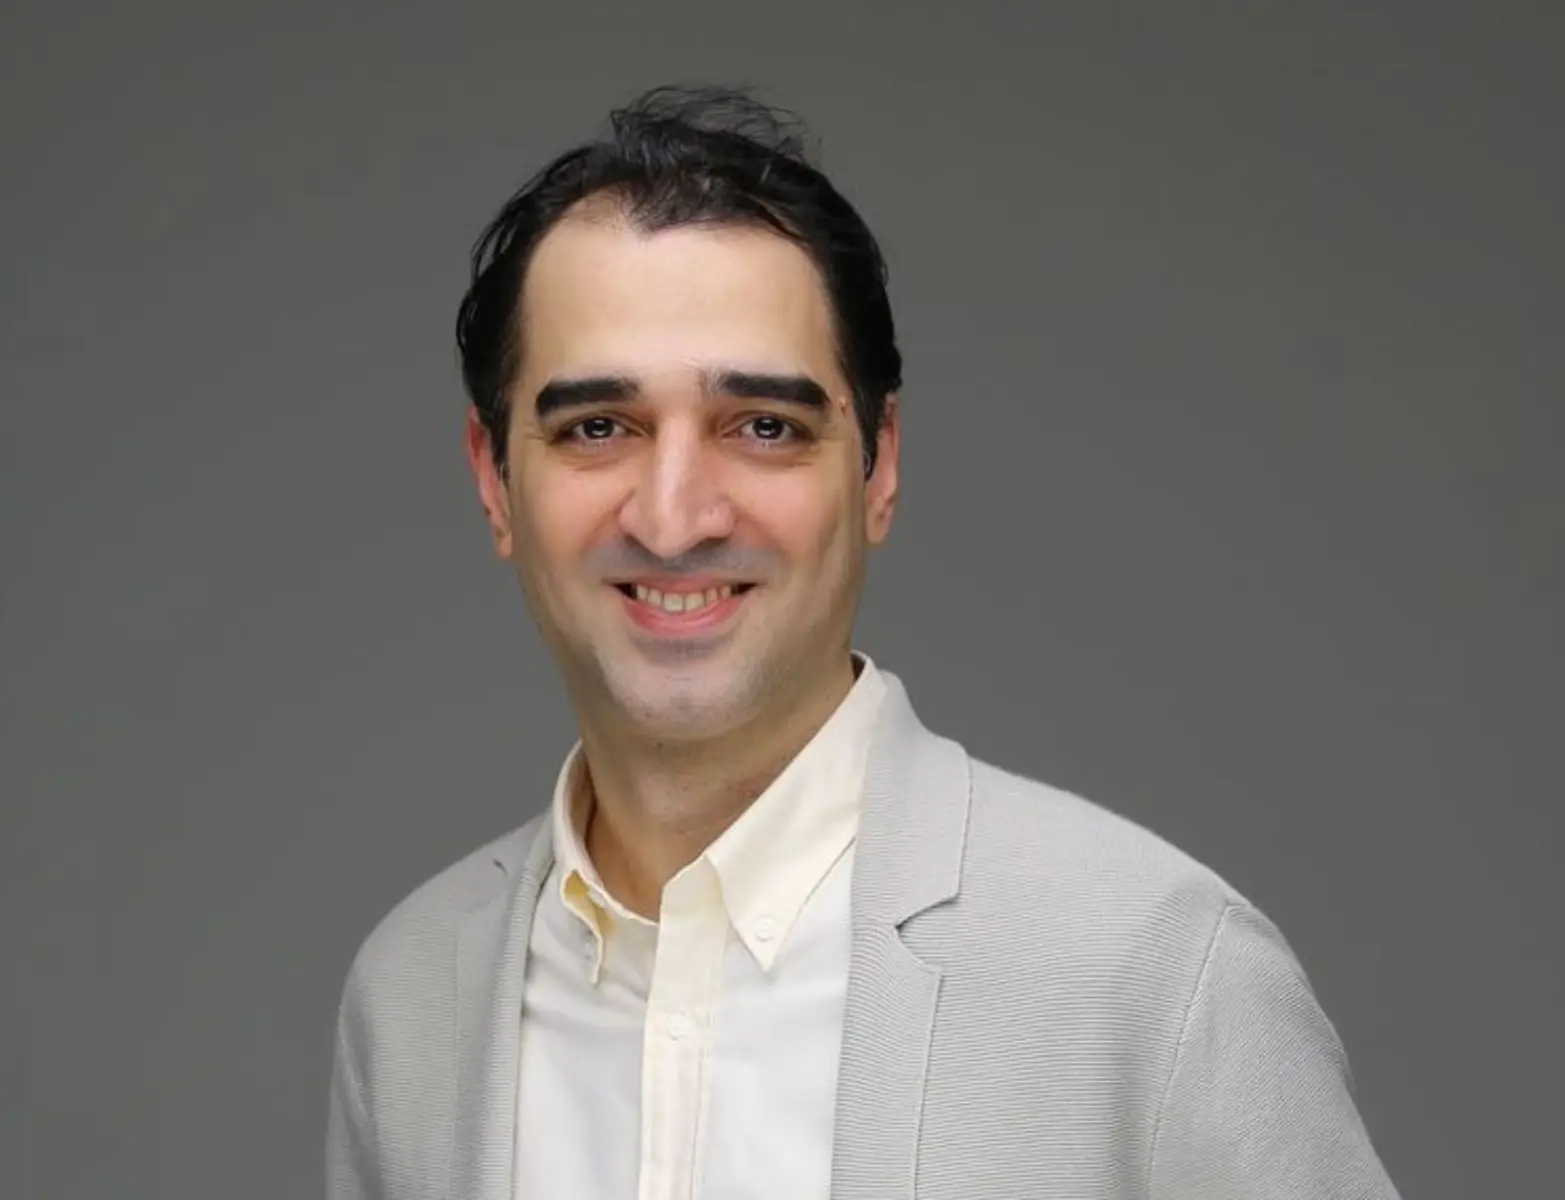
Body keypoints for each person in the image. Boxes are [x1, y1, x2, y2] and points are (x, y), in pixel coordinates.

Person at [325, 85, 1401, 1200]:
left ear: (878, 465)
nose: (675, 515)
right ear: (493, 478)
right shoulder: (411, 1005)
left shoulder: (1158, 974)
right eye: (599, 427)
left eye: (762, 427)